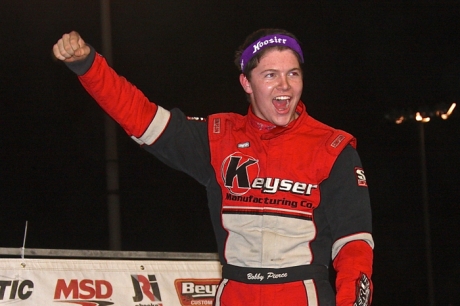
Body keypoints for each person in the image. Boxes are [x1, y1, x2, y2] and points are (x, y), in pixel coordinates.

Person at [53, 28, 374, 306]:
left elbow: (354, 248)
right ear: (247, 83)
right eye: (270, 75)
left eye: (293, 73)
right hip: (235, 294)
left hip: (303, 294)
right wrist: (88, 65)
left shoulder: (333, 148)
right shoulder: (219, 137)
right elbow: (142, 118)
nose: (284, 86)